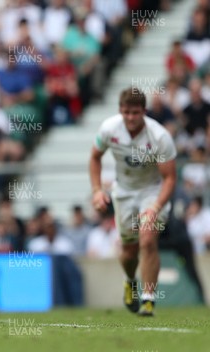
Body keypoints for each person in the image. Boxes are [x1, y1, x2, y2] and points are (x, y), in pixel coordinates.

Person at [89, 87, 176, 317]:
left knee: (147, 238)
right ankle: (130, 281)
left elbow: (170, 178)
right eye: (126, 112)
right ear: (120, 110)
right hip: (124, 192)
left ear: (144, 111)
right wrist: (97, 190)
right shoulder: (109, 128)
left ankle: (148, 300)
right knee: (129, 251)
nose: (130, 118)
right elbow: (95, 157)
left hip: (152, 191)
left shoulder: (159, 136)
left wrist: (155, 207)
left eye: (135, 113)